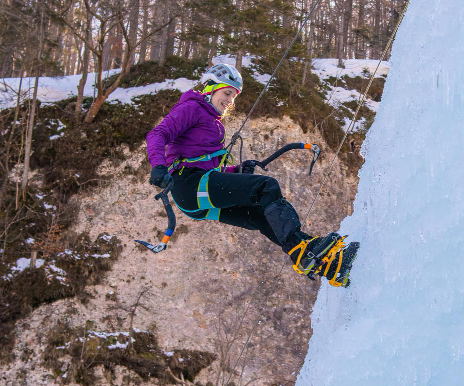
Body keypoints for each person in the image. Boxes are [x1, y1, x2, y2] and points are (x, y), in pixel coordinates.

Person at [145, 63, 345, 280]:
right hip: (188, 185)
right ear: (210, 88)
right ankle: (302, 252)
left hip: (196, 193)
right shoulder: (191, 108)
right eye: (227, 93)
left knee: (259, 215)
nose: (230, 101)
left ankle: (324, 265)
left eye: (234, 96)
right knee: (265, 187)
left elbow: (206, 166)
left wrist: (236, 170)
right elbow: (157, 134)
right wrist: (158, 166)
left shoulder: (212, 121)